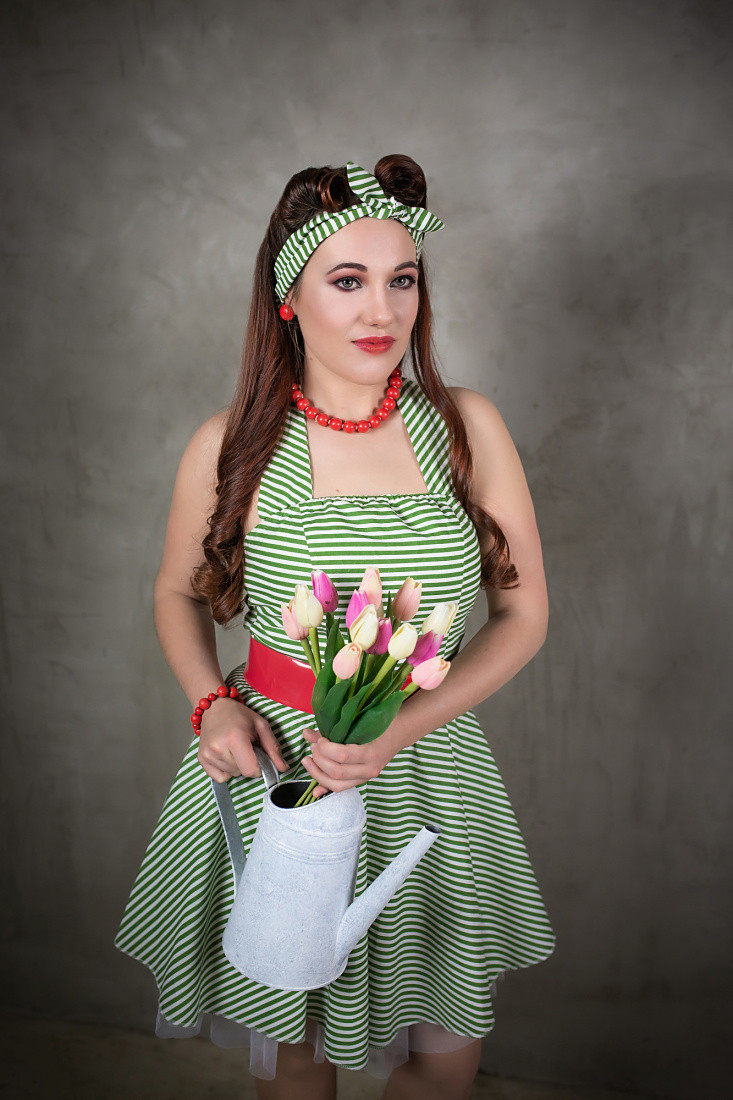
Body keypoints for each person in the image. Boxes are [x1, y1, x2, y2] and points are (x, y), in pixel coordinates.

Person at [115, 155, 555, 1100]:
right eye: (347, 281)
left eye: (402, 280)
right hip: (281, 768)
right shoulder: (231, 443)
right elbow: (174, 593)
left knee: (444, 1057)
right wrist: (209, 706)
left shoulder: (467, 427)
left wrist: (398, 729)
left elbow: (524, 615)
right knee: (297, 1057)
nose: (381, 311)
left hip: (429, 764)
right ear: (288, 297)